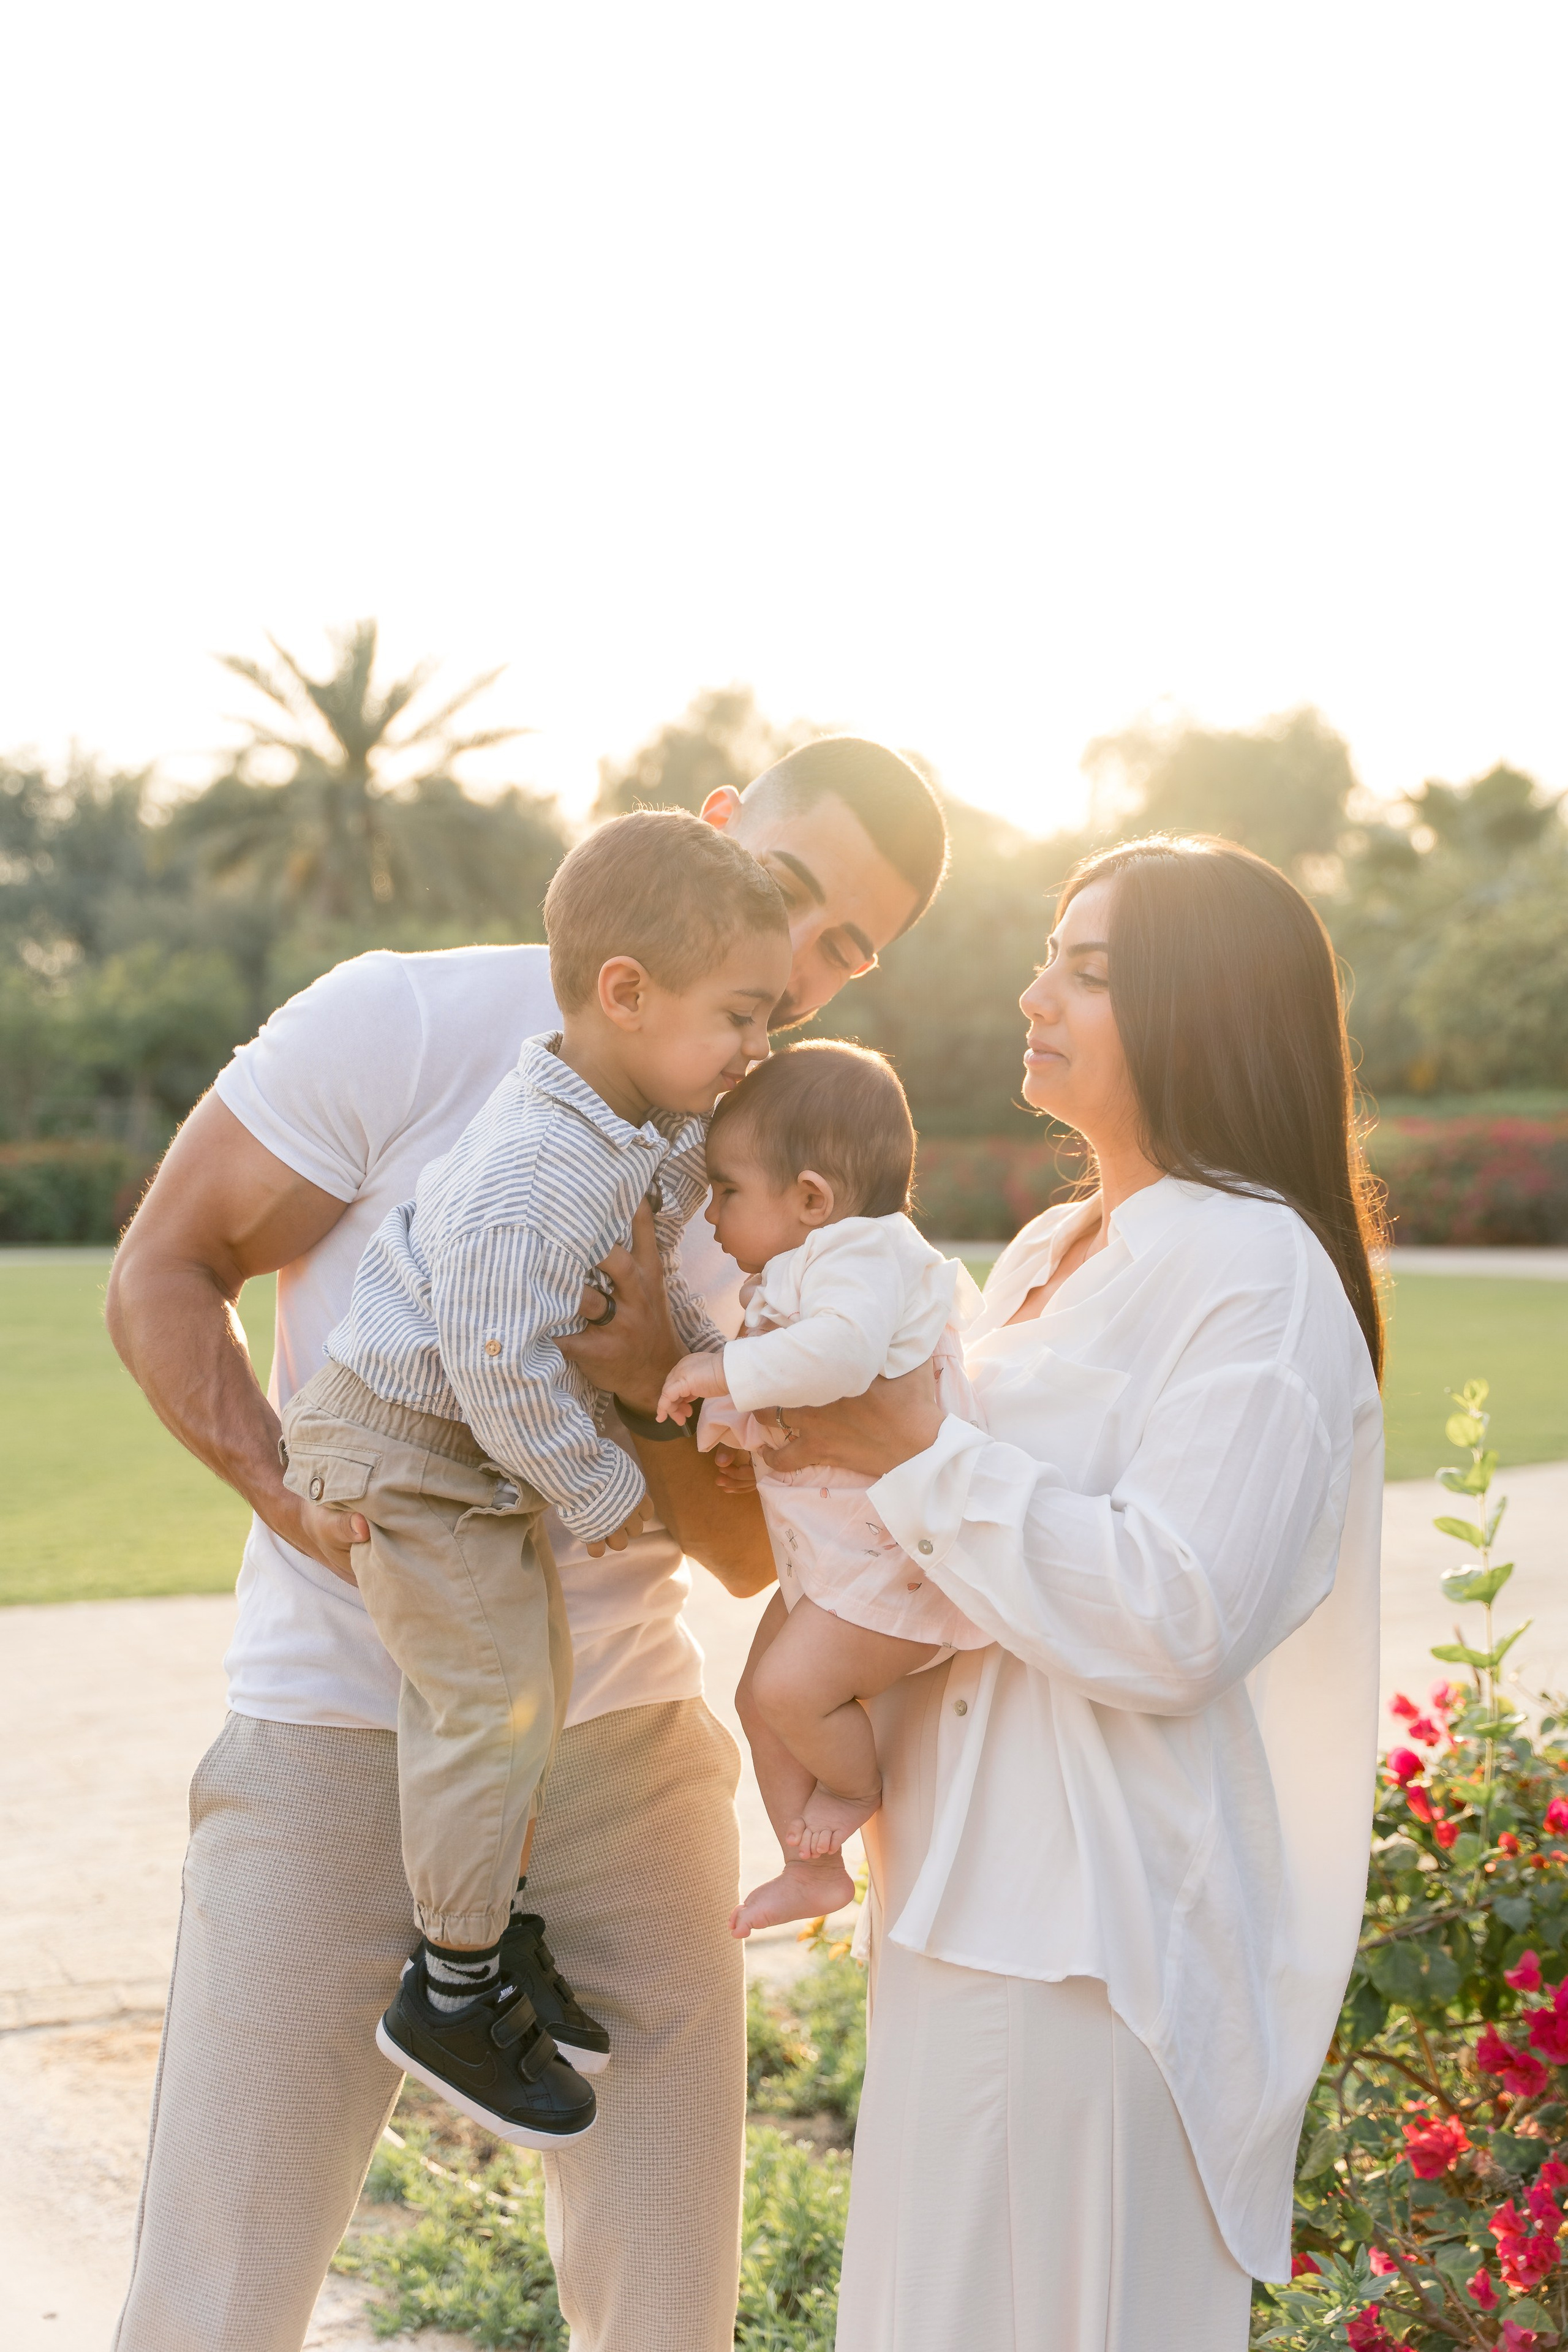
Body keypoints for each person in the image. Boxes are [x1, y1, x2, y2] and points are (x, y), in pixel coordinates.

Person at [105, 735, 948, 2352]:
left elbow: (750, 1552)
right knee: (211, 2303)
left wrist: (645, 1377)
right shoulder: (403, 1021)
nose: (812, 965)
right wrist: (298, 1501)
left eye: (852, 950)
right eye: (791, 897)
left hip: (629, 1754)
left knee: (669, 2314)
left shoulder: (788, 1172)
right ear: (710, 832)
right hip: (340, 1729)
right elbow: (166, 1264)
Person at [752, 835, 1386, 2348]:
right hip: (953, 1891)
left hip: (1096, 1929)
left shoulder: (1257, 1270)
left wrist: (909, 1450)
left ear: (1201, 1010)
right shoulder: (1045, 1248)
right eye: (1050, 954)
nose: (1035, 991)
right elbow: (915, 1553)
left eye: (1088, 971)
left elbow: (1172, 1617)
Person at [279, 812, 788, 2143]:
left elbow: (667, 1177)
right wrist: (613, 1498)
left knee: (527, 1678)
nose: (758, 1047)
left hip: (446, 1445)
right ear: (624, 992)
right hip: (405, 1447)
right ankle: (450, 1990)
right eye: (740, 1014)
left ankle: (486, 1936)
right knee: (489, 1693)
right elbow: (503, 1376)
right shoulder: (529, 1179)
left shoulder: (615, 1105)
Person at [655, 1040, 987, 1938]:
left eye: (725, 1190)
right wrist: (741, 1441)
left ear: (810, 1198)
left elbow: (839, 1359)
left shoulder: (865, 1254)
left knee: (791, 1694)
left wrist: (720, 1373)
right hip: (834, 1560)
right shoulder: (809, 1265)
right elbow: (815, 1399)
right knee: (758, 1697)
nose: (708, 1213)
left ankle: (855, 1787)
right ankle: (811, 1871)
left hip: (888, 1560)